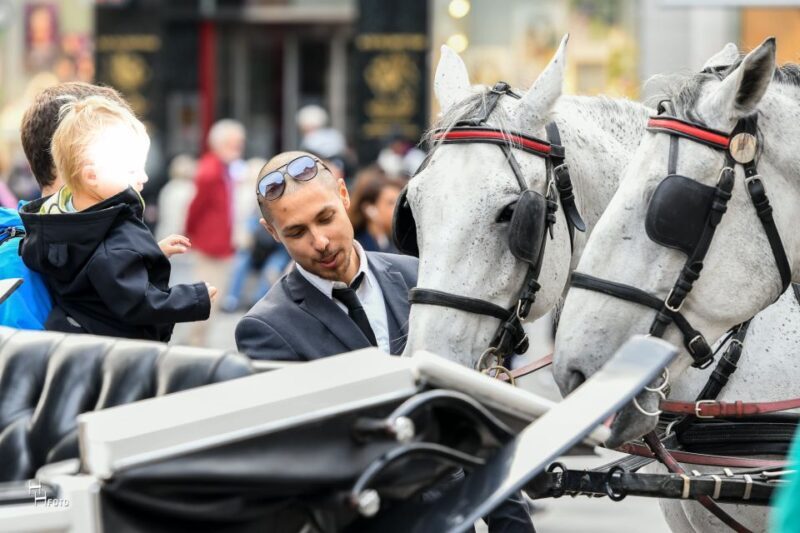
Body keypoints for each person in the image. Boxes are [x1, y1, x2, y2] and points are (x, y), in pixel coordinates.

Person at [19, 95, 215, 341]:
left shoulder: (66, 224)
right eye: (132, 169)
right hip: (122, 350)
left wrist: (151, 252)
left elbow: (101, 272)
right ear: (91, 176)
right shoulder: (111, 231)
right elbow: (137, 302)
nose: (143, 177)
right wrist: (194, 297)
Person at [234, 151, 417, 360]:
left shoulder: (415, 274)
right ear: (272, 232)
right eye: (297, 232)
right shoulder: (266, 327)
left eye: (326, 219)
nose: (320, 242)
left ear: (344, 194)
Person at [0, 82, 129, 330]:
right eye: (122, 157)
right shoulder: (19, 266)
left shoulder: (95, 248)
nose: (139, 178)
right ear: (72, 159)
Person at [185, 119, 244, 344]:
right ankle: (196, 344)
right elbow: (195, 207)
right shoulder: (211, 170)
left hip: (222, 244)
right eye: (233, 143)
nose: (238, 148)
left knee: (213, 298)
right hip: (211, 246)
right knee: (207, 297)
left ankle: (199, 342)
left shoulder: (223, 168)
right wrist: (191, 234)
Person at [348, 165, 404, 253]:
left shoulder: (399, 241)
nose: (397, 208)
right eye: (391, 203)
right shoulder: (357, 246)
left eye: (398, 202)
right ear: (369, 209)